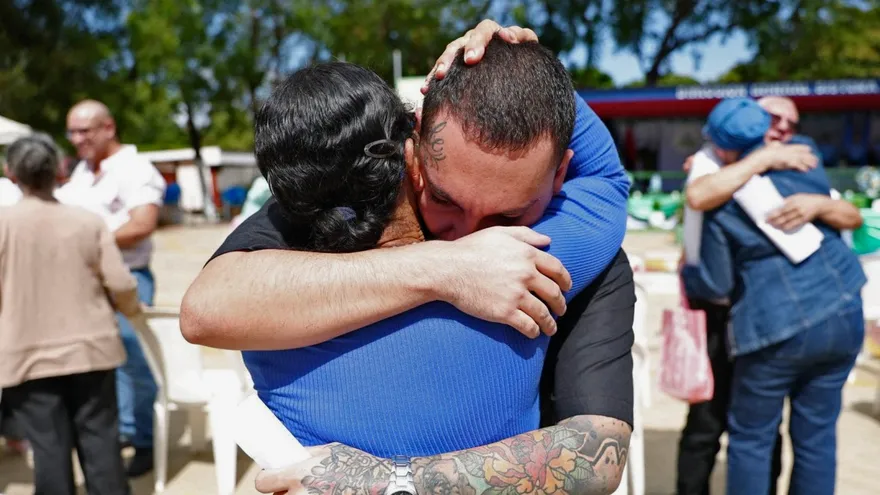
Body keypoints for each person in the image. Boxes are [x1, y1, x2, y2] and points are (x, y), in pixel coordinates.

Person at [184, 30, 634, 494]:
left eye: (509, 216)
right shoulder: (342, 198)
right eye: (443, 198)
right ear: (411, 148)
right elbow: (205, 310)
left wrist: (388, 482)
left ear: (561, 173)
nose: (472, 235)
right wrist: (445, 268)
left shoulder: (581, 263)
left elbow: (598, 455)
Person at [682, 97, 865, 495]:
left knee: (751, 440)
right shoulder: (807, 156)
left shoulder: (719, 198)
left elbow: (715, 285)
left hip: (776, 327)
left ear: (720, 145)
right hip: (844, 306)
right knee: (817, 438)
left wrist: (689, 274)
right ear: (765, 132)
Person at [0, 134, 141, 495]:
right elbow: (121, 284)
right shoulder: (87, 222)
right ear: (59, 170)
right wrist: (132, 312)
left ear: (10, 172)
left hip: (28, 354)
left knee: (49, 451)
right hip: (92, 349)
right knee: (103, 449)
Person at [56, 99, 167, 477]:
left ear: (109, 127)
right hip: (84, 283)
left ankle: (145, 441)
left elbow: (142, 224)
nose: (76, 139)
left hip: (126, 278)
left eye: (84, 130)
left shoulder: (135, 168)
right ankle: (120, 432)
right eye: (72, 131)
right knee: (100, 366)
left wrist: (89, 247)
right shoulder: (80, 175)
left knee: (135, 364)